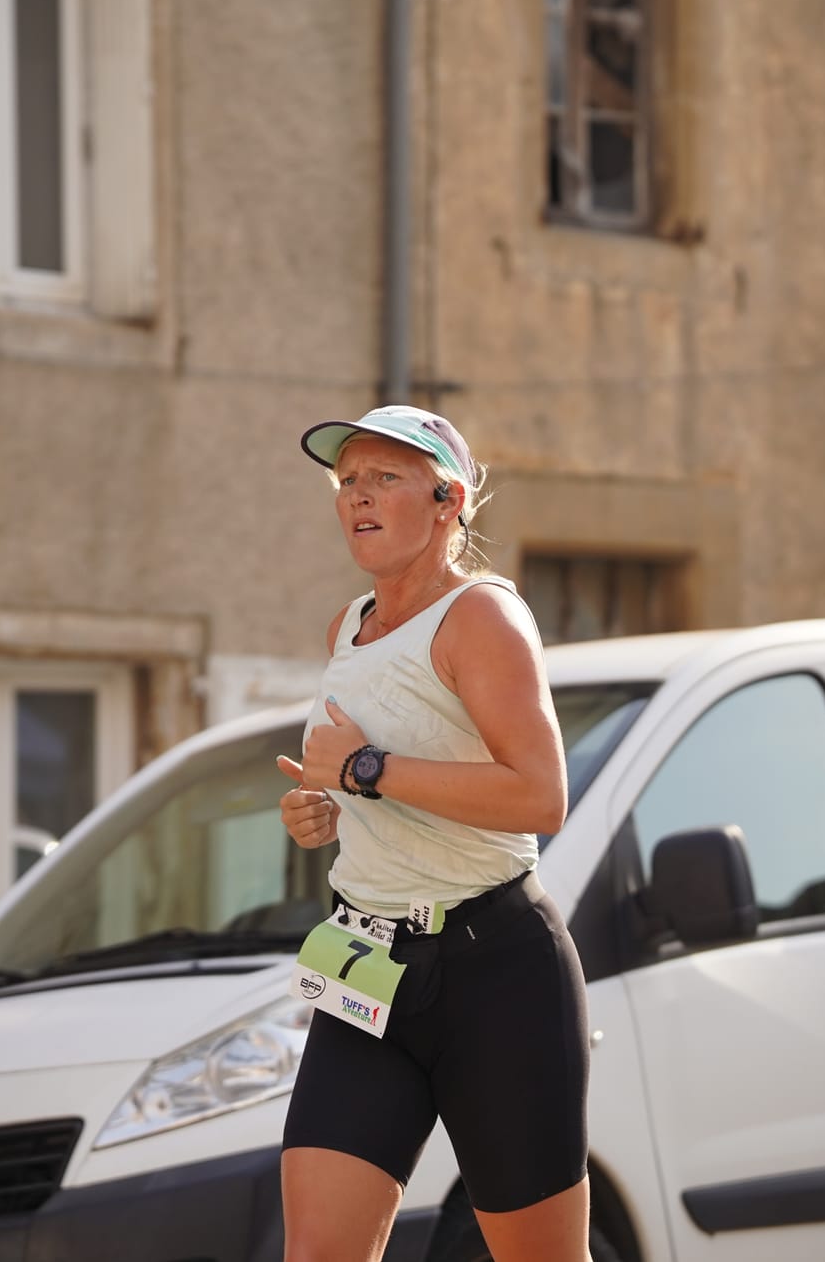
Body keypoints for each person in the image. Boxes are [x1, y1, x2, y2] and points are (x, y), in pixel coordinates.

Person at [273, 405, 592, 1262]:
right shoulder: (346, 627)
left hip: (496, 975)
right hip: (365, 965)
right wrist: (322, 808)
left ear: (448, 501)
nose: (357, 496)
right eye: (348, 480)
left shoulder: (482, 616)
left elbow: (541, 796)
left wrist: (366, 768)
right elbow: (355, 782)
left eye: (385, 477)